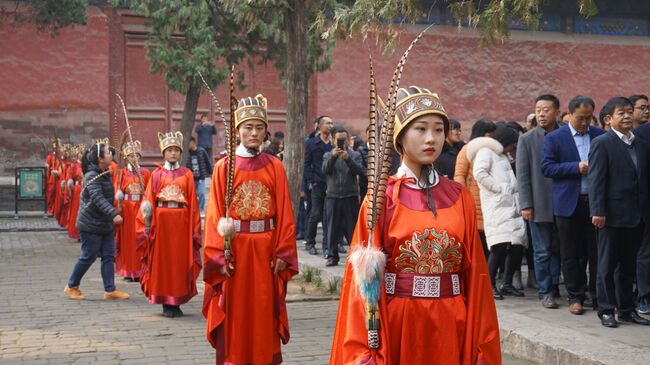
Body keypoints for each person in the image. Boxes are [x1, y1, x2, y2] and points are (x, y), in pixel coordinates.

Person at [330, 86, 500, 364]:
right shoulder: (380, 199)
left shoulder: (460, 196)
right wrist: (365, 348)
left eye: (438, 130)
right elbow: (362, 286)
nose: (431, 138)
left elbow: (477, 277)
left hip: (451, 321)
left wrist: (481, 343)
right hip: (400, 322)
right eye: (420, 129)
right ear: (400, 136)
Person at [203, 94, 298, 364]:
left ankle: (262, 356)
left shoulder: (275, 167)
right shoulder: (223, 168)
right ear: (237, 131)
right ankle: (235, 357)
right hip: (236, 252)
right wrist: (217, 257)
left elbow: (285, 214)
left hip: (267, 252)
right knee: (236, 309)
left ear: (266, 130)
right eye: (248, 127)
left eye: (259, 127)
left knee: (263, 308)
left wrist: (283, 251)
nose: (253, 132)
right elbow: (213, 216)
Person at [589, 97, 650, 327]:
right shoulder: (603, 143)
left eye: (628, 112)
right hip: (610, 216)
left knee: (628, 266)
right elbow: (596, 180)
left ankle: (626, 309)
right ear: (608, 119)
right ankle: (606, 310)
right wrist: (597, 210)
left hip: (637, 215)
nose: (626, 116)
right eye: (621, 113)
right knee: (606, 265)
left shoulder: (641, 144)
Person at [542, 96, 604, 314]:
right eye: (580, 118)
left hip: (594, 203)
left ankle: (598, 296)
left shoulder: (600, 135)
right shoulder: (555, 138)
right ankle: (575, 296)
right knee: (570, 253)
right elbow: (547, 168)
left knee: (595, 252)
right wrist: (575, 167)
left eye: (589, 118)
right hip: (568, 203)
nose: (585, 123)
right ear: (568, 115)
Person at [136, 131, 202, 318]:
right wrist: (146, 225)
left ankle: (177, 299)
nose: (173, 153)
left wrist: (194, 229)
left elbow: (193, 204)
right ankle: (165, 300)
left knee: (179, 262)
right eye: (169, 150)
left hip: (181, 224)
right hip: (161, 224)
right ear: (163, 152)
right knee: (163, 263)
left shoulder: (187, 174)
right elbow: (148, 200)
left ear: (180, 152)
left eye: (176, 150)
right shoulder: (157, 174)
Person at [467, 124, 528, 299]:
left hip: (511, 206)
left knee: (517, 246)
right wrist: (499, 188)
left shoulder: (501, 155)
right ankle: (489, 284)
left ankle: (507, 283)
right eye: (512, 143)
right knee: (498, 247)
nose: (514, 147)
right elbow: (480, 173)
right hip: (498, 206)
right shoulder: (486, 152)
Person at [63, 142, 129, 301]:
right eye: (108, 153)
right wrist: (114, 214)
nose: (111, 155)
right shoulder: (91, 176)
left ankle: (110, 290)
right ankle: (72, 285)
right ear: (100, 158)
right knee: (89, 255)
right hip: (90, 224)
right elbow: (98, 199)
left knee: (108, 255)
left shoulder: (105, 172)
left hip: (104, 223)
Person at [517, 94, 562, 308]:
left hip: (565, 202)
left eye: (546, 109)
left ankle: (556, 286)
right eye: (538, 109)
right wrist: (526, 204)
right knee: (542, 250)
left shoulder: (565, 135)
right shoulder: (527, 139)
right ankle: (546, 291)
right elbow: (522, 174)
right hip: (539, 202)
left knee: (561, 249)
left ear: (557, 112)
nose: (541, 114)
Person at [322, 126, 364, 266]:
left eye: (344, 139)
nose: (342, 142)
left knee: (351, 228)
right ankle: (332, 256)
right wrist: (333, 157)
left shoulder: (355, 154)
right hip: (332, 196)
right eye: (339, 139)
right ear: (333, 140)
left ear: (348, 139)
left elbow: (360, 171)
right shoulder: (328, 155)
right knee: (332, 228)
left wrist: (348, 159)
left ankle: (354, 256)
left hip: (350, 196)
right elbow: (325, 170)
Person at [454, 119, 497, 258]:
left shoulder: (492, 151)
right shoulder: (467, 149)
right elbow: (459, 175)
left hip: (490, 201)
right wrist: (464, 197)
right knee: (477, 240)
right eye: (490, 134)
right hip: (474, 201)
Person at [114, 140, 151, 281]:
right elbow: (117, 190)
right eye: (130, 156)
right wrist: (118, 200)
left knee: (139, 238)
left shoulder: (146, 173)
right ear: (126, 158)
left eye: (136, 155)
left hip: (141, 208)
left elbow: (149, 192)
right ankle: (128, 270)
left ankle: (140, 270)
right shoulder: (122, 173)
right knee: (127, 241)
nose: (133, 158)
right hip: (127, 210)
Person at [303, 115, 334, 255]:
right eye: (327, 123)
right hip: (317, 183)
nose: (330, 126)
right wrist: (311, 180)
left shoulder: (333, 144)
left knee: (330, 215)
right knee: (315, 213)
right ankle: (310, 243)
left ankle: (330, 244)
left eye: (331, 123)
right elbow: (307, 164)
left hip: (332, 184)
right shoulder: (311, 143)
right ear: (320, 126)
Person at [186, 137, 212, 215]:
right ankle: (193, 209)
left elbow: (207, 162)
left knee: (201, 193)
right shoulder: (187, 153)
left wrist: (211, 172)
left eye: (189, 143)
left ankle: (200, 209)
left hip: (201, 177)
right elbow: (187, 166)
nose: (188, 145)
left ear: (193, 143)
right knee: (192, 195)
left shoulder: (201, 151)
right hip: (192, 178)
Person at [66, 145, 85, 240]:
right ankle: (76, 232)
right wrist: (70, 188)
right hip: (77, 189)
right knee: (76, 210)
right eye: (80, 153)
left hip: (85, 188)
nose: (81, 155)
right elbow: (70, 178)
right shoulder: (74, 166)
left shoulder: (86, 165)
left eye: (83, 153)